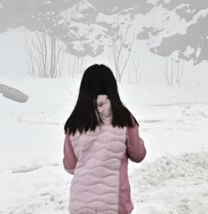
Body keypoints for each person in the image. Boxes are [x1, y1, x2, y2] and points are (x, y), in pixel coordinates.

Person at [62, 64, 148, 214]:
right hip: (114, 203)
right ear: (112, 88)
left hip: (81, 201)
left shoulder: (74, 122)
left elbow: (70, 166)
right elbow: (138, 155)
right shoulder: (124, 118)